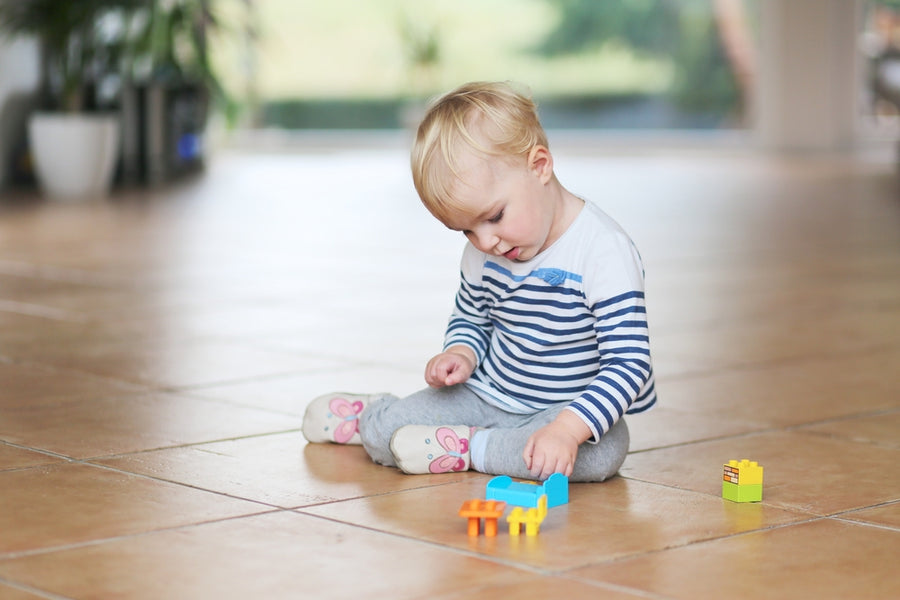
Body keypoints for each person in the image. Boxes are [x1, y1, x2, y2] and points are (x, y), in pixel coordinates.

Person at [302, 81, 656, 482]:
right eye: (466, 231)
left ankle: (467, 448)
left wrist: (567, 431)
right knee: (386, 434)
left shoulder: (602, 250)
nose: (484, 241)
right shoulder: (487, 252)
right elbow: (472, 317)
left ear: (539, 166)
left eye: (494, 217)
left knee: (601, 456)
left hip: (566, 409)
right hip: (487, 394)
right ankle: (372, 418)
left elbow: (630, 364)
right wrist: (461, 353)